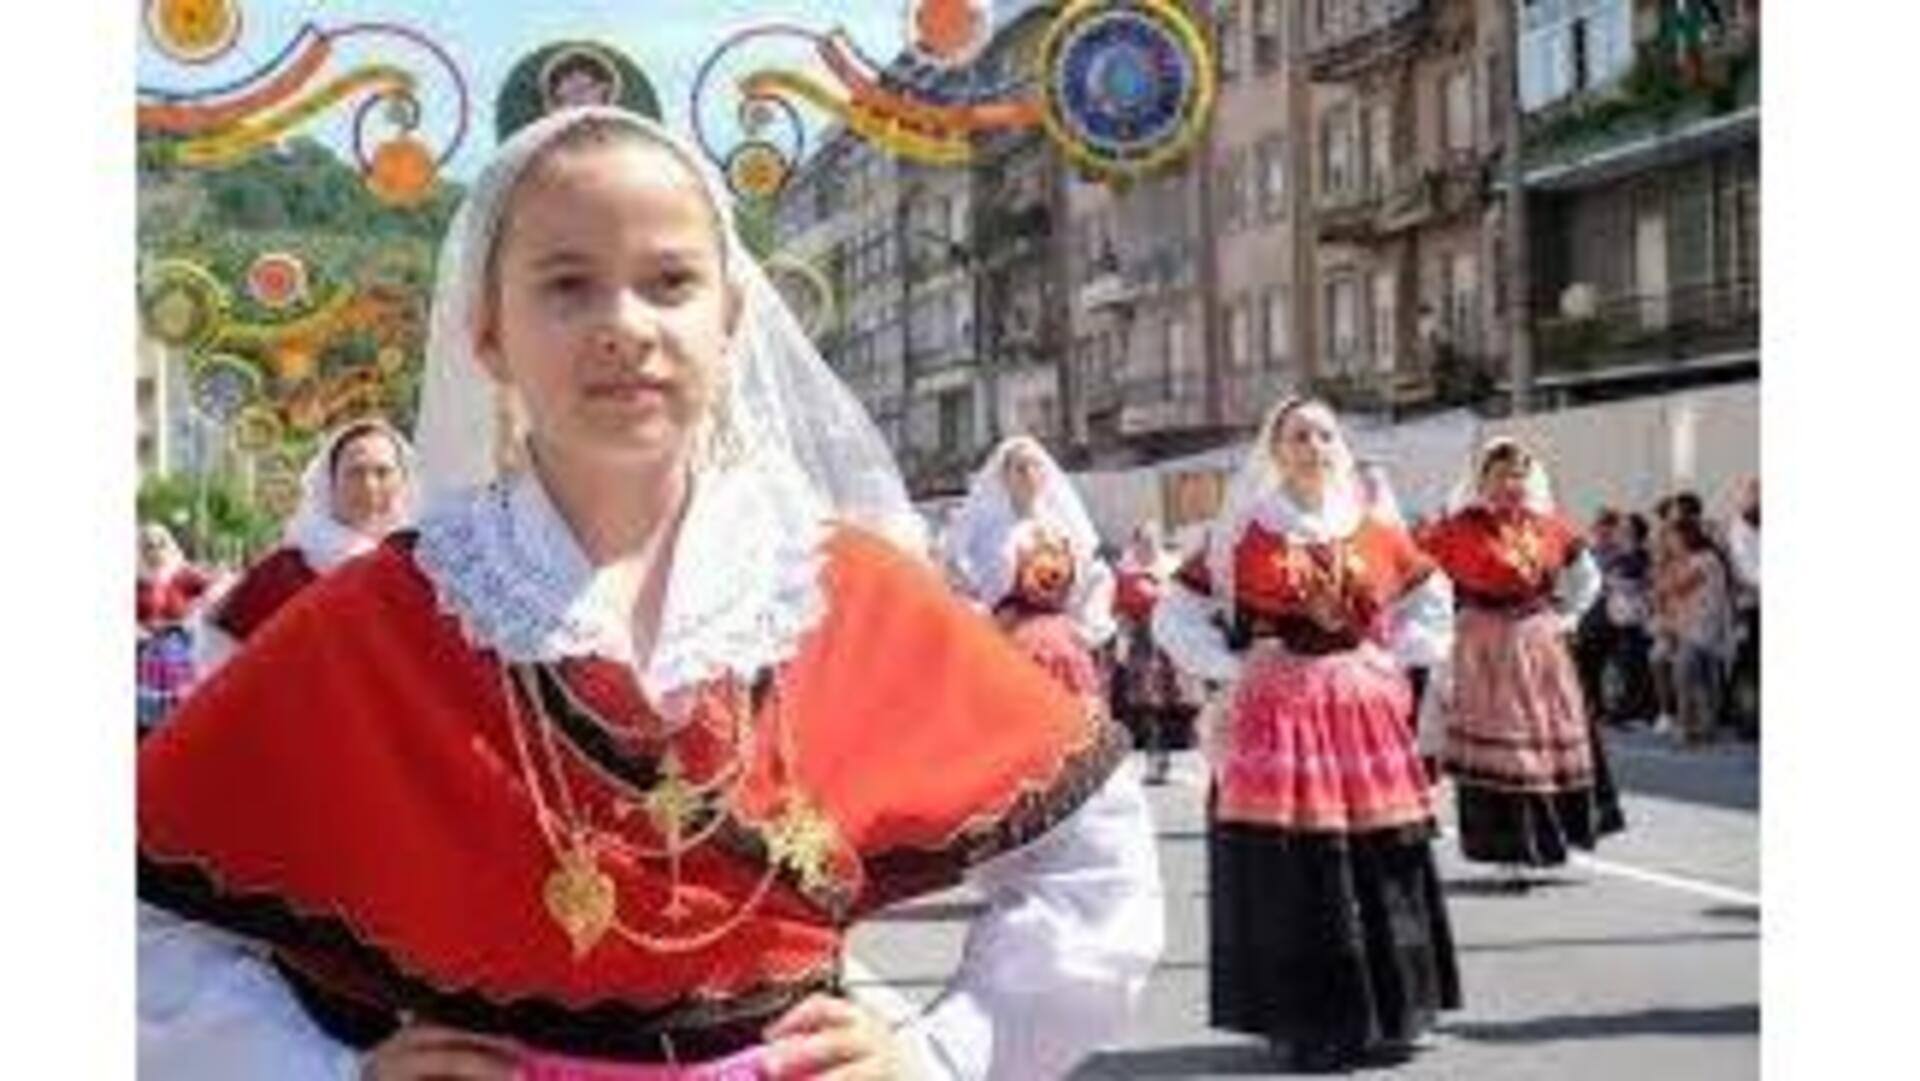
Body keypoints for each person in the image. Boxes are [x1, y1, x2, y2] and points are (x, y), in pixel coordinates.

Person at [139, 107, 1162, 1081]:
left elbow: (1093, 854)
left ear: (731, 316)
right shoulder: (389, 616)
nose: (624, 325)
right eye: (568, 284)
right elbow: (138, 907)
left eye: (669, 280)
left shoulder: (841, 592)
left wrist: (945, 1052)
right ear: (488, 332)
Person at [1153, 397, 1459, 1072]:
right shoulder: (1245, 532)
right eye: (1299, 435)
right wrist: (1233, 665)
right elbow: (1176, 612)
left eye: (1325, 433)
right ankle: (1302, 1016)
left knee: (1382, 851)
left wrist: (1396, 656)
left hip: (1362, 709)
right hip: (1280, 714)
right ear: (1276, 448)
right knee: (1292, 860)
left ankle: (1394, 1005)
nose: (1314, 445)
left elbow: (1429, 596)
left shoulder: (1372, 527)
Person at [1422, 438, 1620, 879]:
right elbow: (1420, 577)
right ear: (1482, 480)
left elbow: (1587, 576)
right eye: (1501, 474)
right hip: (1484, 646)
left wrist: (1568, 616)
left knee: (1544, 745)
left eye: (1519, 475)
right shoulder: (1458, 528)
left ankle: (1551, 841)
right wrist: (1438, 627)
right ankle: (1506, 848)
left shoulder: (1549, 526)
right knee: (1502, 749)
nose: (1511, 483)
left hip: (1539, 643)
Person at [195, 419, 417, 674]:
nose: (369, 485)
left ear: (403, 481)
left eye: (383, 472)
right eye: (355, 472)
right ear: (330, 484)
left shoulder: (425, 565)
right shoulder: (285, 571)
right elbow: (224, 661)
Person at [944, 436, 1117, 701]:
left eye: (1035, 466)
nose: (1029, 475)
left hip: (1063, 647)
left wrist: (1083, 628)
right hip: (1008, 642)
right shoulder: (985, 533)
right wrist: (983, 619)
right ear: (1004, 476)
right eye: (1020, 468)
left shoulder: (1063, 531)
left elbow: (1094, 578)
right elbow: (956, 580)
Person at [1111, 521, 1191, 784]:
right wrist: (1121, 643)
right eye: (1143, 540)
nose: (1147, 545)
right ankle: (1155, 760)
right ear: (1135, 544)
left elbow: (1188, 603)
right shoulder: (1127, 573)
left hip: (1172, 639)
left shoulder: (1172, 568)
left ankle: (1170, 757)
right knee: (1148, 705)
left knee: (1173, 703)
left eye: (1152, 539)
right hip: (1144, 641)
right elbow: (1120, 611)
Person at [1655, 514, 1739, 747]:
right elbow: (1664, 593)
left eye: (1672, 537)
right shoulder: (1690, 559)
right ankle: (1700, 727)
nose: (1669, 542)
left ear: (1685, 536)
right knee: (1696, 677)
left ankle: (1691, 727)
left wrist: (1666, 564)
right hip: (1691, 627)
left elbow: (1675, 587)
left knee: (1688, 674)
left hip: (1705, 627)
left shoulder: (1706, 559)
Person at [136, 523, 213, 736]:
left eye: (160, 543)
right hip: (144, 658)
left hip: (180, 654)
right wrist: (139, 628)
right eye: (148, 545)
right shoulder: (138, 579)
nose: (155, 549)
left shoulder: (183, 574)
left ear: (169, 545)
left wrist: (192, 616)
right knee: (149, 725)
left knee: (181, 717)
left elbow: (217, 591)